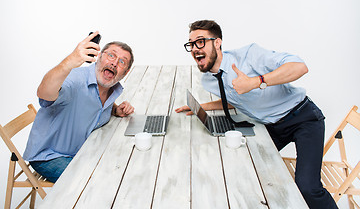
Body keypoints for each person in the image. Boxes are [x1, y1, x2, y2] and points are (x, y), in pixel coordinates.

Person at [175, 20, 338, 209]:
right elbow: (236, 98)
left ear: (217, 42)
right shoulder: (208, 81)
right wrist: (203, 106)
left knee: (308, 188)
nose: (195, 48)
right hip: (271, 127)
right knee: (241, 169)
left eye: (200, 41)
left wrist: (256, 82)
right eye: (191, 44)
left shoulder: (249, 56)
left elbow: (300, 67)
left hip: (303, 118)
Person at [23, 32, 135, 183]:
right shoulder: (75, 80)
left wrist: (115, 109)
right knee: (96, 184)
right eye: (111, 56)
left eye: (122, 62)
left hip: (82, 152)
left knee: (123, 168)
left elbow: (95, 106)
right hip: (50, 156)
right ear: (100, 56)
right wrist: (70, 61)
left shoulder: (109, 90)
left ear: (126, 72)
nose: (115, 63)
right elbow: (44, 93)